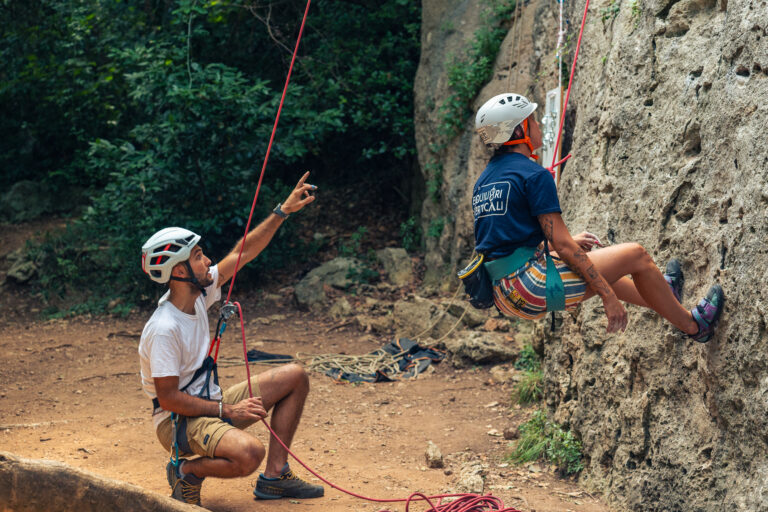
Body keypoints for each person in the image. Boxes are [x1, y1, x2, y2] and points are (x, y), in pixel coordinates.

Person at [472, 93, 724, 340]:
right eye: (532, 119)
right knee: (636, 255)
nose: (538, 125)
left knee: (588, 264)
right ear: (518, 132)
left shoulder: (485, 181)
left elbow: (505, 241)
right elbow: (564, 246)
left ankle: (664, 293)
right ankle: (694, 326)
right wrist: (608, 297)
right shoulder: (532, 175)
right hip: (529, 288)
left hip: (503, 293)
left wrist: (562, 245)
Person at [138, 172, 324, 505]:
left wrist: (282, 211)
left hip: (209, 403)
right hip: (178, 422)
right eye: (197, 257)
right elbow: (168, 400)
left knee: (295, 375)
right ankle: (188, 470)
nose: (207, 261)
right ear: (177, 272)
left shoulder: (198, 294)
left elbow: (242, 254)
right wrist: (227, 408)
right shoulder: (164, 328)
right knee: (250, 452)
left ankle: (275, 478)